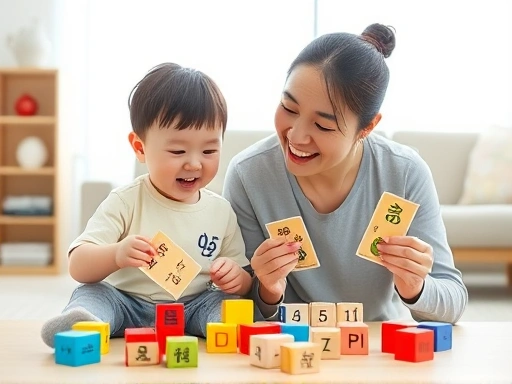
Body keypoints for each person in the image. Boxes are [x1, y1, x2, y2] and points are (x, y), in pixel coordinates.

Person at [223, 23, 468, 324]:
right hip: (288, 350)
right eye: (289, 107)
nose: (297, 137)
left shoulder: (404, 173)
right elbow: (233, 305)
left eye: (323, 126)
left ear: (367, 128)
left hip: (374, 350)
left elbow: (454, 300)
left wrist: (415, 288)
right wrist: (267, 291)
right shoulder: (249, 174)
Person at [41, 63, 255, 348]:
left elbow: (244, 278)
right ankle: (81, 325)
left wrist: (236, 278)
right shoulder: (126, 200)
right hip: (126, 302)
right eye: (178, 151)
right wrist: (116, 254)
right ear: (140, 148)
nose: (194, 162)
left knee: (224, 302)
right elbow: (78, 265)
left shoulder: (221, 211)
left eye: (209, 150)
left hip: (193, 306)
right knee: (93, 293)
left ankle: (230, 329)